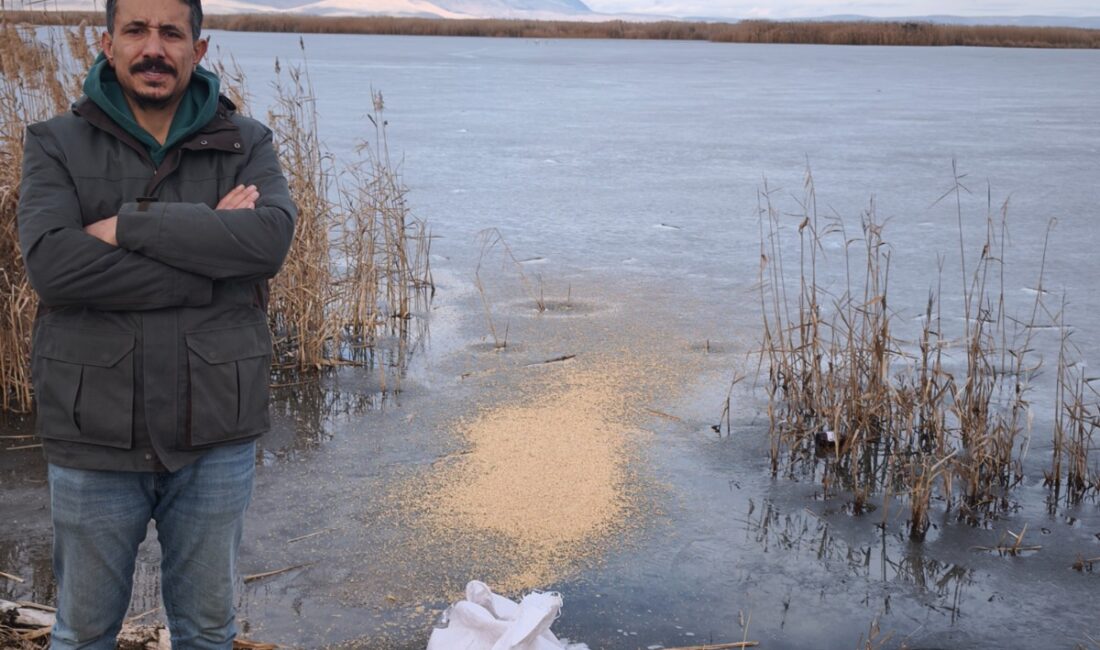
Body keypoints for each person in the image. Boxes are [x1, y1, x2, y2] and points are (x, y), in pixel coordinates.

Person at [16, 0, 296, 647]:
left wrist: (128, 227)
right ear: (106, 42)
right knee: (83, 633)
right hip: (95, 435)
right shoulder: (55, 143)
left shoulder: (245, 142)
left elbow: (269, 244)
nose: (154, 47)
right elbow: (57, 269)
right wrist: (212, 255)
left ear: (199, 49)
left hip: (214, 435)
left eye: (172, 32)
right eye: (136, 30)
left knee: (206, 630)